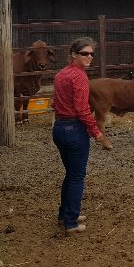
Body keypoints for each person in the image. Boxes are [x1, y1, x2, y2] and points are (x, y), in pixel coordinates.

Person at [51, 37, 111, 234]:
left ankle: (65, 214)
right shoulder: (79, 77)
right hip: (74, 130)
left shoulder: (61, 75)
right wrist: (97, 133)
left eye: (91, 53)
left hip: (59, 127)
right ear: (74, 55)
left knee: (70, 174)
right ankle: (71, 222)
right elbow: (83, 109)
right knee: (77, 176)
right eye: (85, 53)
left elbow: (55, 103)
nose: (89, 57)